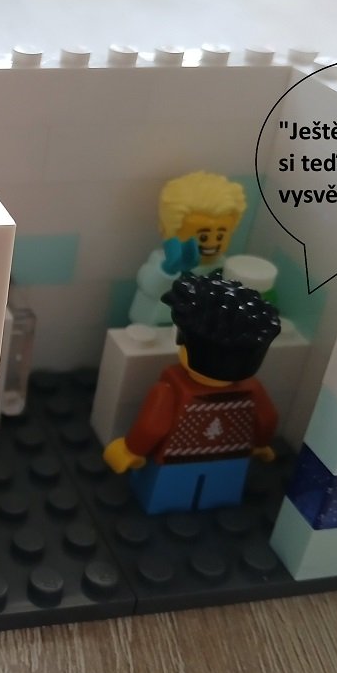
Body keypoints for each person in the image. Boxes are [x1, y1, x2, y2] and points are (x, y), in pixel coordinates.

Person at [105, 271, 281, 514]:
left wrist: (131, 450)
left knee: (165, 496)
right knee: (221, 493)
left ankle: (166, 509)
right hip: (231, 460)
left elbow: (152, 427)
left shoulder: (171, 390)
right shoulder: (252, 391)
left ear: (186, 345)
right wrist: (260, 445)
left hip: (174, 462)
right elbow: (267, 419)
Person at [128, 170, 246, 326]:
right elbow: (149, 287)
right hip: (156, 329)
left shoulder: (225, 267)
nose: (211, 244)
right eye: (203, 237)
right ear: (168, 229)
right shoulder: (162, 261)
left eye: (220, 236)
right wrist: (168, 270)